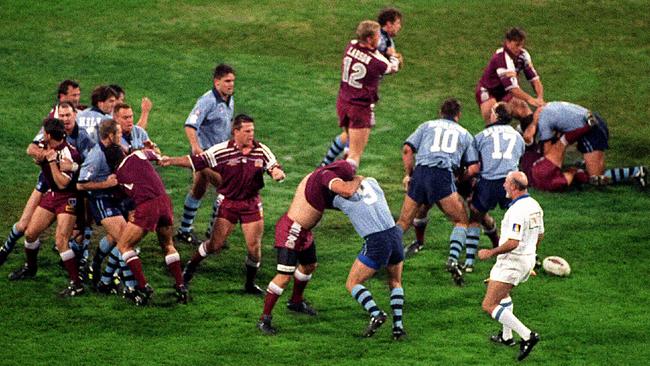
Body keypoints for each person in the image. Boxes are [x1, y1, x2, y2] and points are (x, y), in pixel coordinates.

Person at [160, 114, 286, 295]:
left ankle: (249, 284)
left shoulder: (261, 150)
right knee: (214, 245)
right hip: (229, 203)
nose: (252, 134)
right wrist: (171, 160)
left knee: (254, 248)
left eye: (253, 130)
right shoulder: (222, 150)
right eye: (247, 131)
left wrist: (277, 173)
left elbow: (273, 166)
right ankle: (189, 269)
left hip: (251, 203)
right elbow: (196, 161)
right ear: (236, 132)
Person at [257, 161, 362, 335]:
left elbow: (332, 201)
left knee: (309, 265)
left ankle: (296, 302)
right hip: (292, 230)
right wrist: (358, 180)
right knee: (283, 277)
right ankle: (264, 319)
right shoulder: (325, 176)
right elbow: (347, 191)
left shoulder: (318, 176)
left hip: (303, 232)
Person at [396, 98, 479, 286]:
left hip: (421, 173)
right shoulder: (465, 134)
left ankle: (381, 255)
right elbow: (473, 169)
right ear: (458, 116)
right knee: (461, 220)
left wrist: (409, 175)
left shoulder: (427, 125)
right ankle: (452, 259)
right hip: (442, 175)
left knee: (403, 221)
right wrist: (459, 180)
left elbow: (407, 149)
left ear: (440, 112)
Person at [0, 102, 93, 267]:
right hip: (46, 183)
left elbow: (90, 166)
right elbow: (31, 148)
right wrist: (45, 156)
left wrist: (73, 166)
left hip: (72, 189)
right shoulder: (51, 130)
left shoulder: (83, 137)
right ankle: (6, 252)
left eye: (68, 115)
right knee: (24, 225)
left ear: (75, 115)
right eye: (62, 115)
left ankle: (81, 261)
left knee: (79, 228)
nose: (65, 119)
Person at [7, 118, 84, 297]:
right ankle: (31, 268)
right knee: (30, 233)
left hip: (68, 197)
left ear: (49, 135)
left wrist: (50, 162)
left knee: (61, 240)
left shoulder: (68, 155)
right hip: (52, 195)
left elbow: (62, 183)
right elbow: (30, 150)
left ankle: (76, 284)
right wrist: (41, 156)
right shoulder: (46, 144)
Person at [103, 145, 188, 305]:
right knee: (168, 245)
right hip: (164, 201)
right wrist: (159, 157)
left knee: (124, 246)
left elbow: (121, 196)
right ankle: (181, 286)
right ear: (122, 153)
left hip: (147, 206)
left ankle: (143, 286)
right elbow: (152, 154)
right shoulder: (137, 155)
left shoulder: (118, 177)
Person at [319, 10, 404, 167]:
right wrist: (393, 55)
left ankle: (326, 166)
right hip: (360, 106)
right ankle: (340, 185)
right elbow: (392, 67)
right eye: (377, 37)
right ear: (370, 38)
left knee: (349, 138)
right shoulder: (377, 61)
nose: (379, 39)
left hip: (343, 101)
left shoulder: (350, 45)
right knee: (354, 155)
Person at [478, 171, 542, 361]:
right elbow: (539, 235)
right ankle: (506, 337)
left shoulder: (516, 211)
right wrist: (529, 257)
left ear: (514, 187)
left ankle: (527, 336)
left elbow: (513, 242)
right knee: (503, 295)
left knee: (489, 304)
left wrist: (490, 252)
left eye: (506, 183)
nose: (504, 186)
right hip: (526, 259)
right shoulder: (535, 206)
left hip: (512, 262)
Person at [335, 177, 406, 340]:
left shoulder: (339, 198)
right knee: (395, 281)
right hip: (394, 235)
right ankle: (398, 328)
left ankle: (376, 313)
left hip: (376, 241)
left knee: (352, 283)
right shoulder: (372, 181)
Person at [176, 63, 236, 245]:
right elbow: (190, 125)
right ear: (217, 82)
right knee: (225, 189)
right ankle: (213, 234)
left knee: (199, 189)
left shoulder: (229, 99)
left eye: (233, 81)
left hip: (220, 155)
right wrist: (196, 148)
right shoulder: (207, 101)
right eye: (227, 81)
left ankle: (184, 230)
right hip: (206, 156)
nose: (231, 84)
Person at [77, 119, 137, 293]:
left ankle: (96, 267)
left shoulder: (116, 149)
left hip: (117, 198)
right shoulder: (96, 156)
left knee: (114, 238)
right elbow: (81, 184)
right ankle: (129, 286)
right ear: (110, 136)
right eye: (118, 133)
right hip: (102, 200)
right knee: (126, 240)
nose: (121, 135)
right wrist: (105, 184)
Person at [464, 102, 525, 271]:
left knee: (475, 217)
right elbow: (518, 158)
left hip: (489, 183)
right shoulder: (517, 136)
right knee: (517, 220)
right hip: (511, 183)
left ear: (496, 116)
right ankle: (527, 256)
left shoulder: (481, 136)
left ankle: (469, 262)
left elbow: (474, 167)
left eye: (492, 112)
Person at [475, 27, 544, 125]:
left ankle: (524, 137)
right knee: (496, 118)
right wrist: (531, 99)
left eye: (521, 45)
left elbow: (535, 79)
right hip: (488, 91)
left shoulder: (523, 55)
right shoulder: (501, 58)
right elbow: (513, 89)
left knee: (525, 113)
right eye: (517, 45)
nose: (519, 48)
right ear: (508, 42)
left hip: (504, 92)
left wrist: (540, 98)